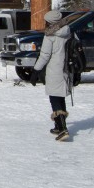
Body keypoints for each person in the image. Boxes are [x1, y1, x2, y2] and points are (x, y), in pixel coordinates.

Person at [30, 9, 72, 141]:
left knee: (54, 98)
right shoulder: (68, 32)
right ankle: (58, 126)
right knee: (60, 97)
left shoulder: (50, 35)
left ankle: (62, 128)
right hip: (66, 69)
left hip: (54, 70)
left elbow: (45, 55)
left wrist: (35, 71)